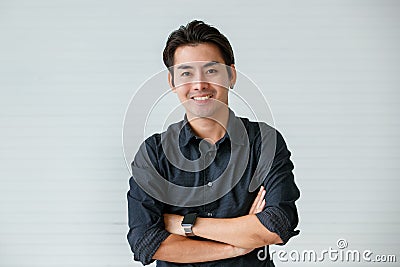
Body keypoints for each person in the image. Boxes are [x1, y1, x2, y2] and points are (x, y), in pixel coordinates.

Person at [127, 20, 300, 266]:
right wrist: (235, 247)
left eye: (211, 70)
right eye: (186, 73)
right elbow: (146, 241)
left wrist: (186, 224)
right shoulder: (153, 154)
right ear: (172, 82)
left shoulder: (264, 142)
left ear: (231, 75)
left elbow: (277, 225)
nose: (199, 84)